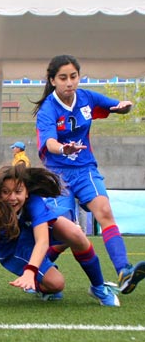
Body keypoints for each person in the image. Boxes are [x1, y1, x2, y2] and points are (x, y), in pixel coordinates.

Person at [34, 54, 145, 294]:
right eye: (63, 78)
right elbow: (50, 143)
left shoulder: (86, 97)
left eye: (73, 76)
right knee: (66, 233)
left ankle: (124, 271)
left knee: (104, 212)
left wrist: (124, 108)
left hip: (85, 169)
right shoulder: (47, 109)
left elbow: (114, 106)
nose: (69, 83)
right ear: (52, 80)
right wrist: (63, 148)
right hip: (58, 175)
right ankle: (38, 271)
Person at [0, 165, 120, 313]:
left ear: (26, 192)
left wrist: (31, 270)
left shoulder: (34, 201)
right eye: (6, 192)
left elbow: (42, 240)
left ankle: (98, 287)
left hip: (34, 238)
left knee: (75, 233)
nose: (12, 197)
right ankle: (40, 286)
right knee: (56, 284)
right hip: (15, 250)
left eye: (18, 191)